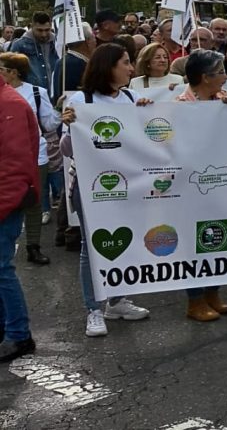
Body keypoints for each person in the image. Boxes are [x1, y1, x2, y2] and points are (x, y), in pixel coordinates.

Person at [60, 44, 153, 337]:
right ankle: (93, 309)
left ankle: (117, 300)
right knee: (93, 245)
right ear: (108, 66)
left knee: (125, 239)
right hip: (91, 185)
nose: (131, 68)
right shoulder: (81, 99)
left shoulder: (132, 97)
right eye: (125, 63)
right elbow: (67, 149)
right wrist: (71, 126)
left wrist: (147, 115)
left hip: (128, 185)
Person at [173, 50, 227, 320]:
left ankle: (213, 292)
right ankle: (195, 299)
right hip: (192, 185)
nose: (225, 76)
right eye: (221, 72)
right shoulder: (179, 106)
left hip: (221, 183)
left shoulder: (223, 101)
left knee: (217, 238)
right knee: (194, 242)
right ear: (205, 77)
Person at [0, 52, 59, 265]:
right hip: (8, 159)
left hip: (36, 154)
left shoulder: (36, 92)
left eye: (2, 69)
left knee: (33, 201)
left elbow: (50, 124)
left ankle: (33, 246)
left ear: (13, 72)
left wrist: (59, 110)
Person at [0, 67, 39, 361]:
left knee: (2, 269)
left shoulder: (10, 104)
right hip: (6, 199)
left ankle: (19, 335)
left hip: (6, 202)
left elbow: (15, 167)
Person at [8, 11, 58, 95]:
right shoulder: (19, 45)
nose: (44, 34)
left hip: (55, 95)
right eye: (40, 30)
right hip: (30, 96)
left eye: (47, 30)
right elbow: (10, 73)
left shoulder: (58, 43)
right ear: (32, 26)